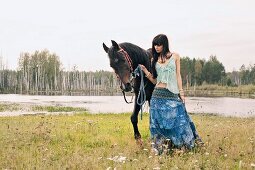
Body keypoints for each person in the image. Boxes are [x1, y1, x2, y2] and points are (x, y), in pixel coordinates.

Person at [139, 34, 202, 155]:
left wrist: (181, 92)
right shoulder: (154, 60)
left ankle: (183, 146)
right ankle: (162, 147)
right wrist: (146, 71)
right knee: (158, 124)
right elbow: (155, 81)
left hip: (172, 94)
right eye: (155, 45)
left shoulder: (175, 56)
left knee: (179, 120)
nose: (156, 47)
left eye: (159, 44)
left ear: (165, 44)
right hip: (157, 96)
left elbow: (178, 76)